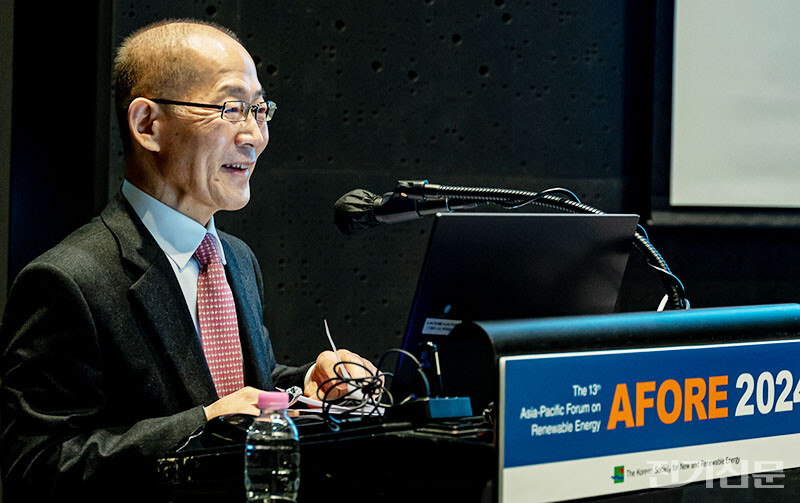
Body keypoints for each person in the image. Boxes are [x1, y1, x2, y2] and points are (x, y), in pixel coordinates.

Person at [0, 19, 377, 501]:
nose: (254, 136)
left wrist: (308, 384)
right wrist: (202, 426)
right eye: (231, 108)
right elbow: (35, 466)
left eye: (259, 110)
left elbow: (230, 383)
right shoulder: (66, 280)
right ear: (147, 125)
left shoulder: (237, 259)